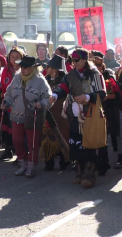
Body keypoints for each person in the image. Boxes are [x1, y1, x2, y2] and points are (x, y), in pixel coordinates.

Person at [49, 48, 106, 187]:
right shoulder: (70, 75)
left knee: (89, 146)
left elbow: (102, 93)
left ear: (85, 60)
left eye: (77, 60)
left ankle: (89, 174)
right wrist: (55, 95)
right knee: (76, 145)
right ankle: (79, 171)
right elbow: (63, 87)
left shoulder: (95, 74)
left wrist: (87, 97)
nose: (74, 63)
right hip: (75, 116)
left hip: (90, 116)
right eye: (72, 60)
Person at [2, 55, 51, 178]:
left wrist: (42, 104)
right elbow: (8, 93)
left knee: (32, 142)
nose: (22, 69)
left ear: (33, 68)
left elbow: (48, 98)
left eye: (26, 67)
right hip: (16, 116)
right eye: (22, 66)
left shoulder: (40, 80)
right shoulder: (16, 78)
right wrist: (6, 102)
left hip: (33, 116)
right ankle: (22, 163)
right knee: (17, 141)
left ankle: (31, 165)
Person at [92, 51, 120, 176]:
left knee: (103, 138)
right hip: (91, 111)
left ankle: (104, 163)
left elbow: (116, 95)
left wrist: (105, 97)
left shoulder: (108, 76)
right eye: (95, 66)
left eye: (99, 66)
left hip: (107, 112)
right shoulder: (88, 77)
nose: (97, 68)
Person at [41, 54, 69, 171]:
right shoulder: (45, 79)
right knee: (47, 137)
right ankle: (49, 161)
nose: (47, 69)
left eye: (50, 67)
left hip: (61, 113)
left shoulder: (65, 81)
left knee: (62, 136)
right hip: (47, 112)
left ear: (56, 69)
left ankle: (65, 161)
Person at [0, 46, 25, 161]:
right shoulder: (5, 70)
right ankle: (8, 150)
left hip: (21, 106)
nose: (14, 59)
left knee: (19, 132)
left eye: (17, 57)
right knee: (8, 130)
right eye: (12, 57)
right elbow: (3, 86)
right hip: (9, 105)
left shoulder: (25, 71)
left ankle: (21, 155)